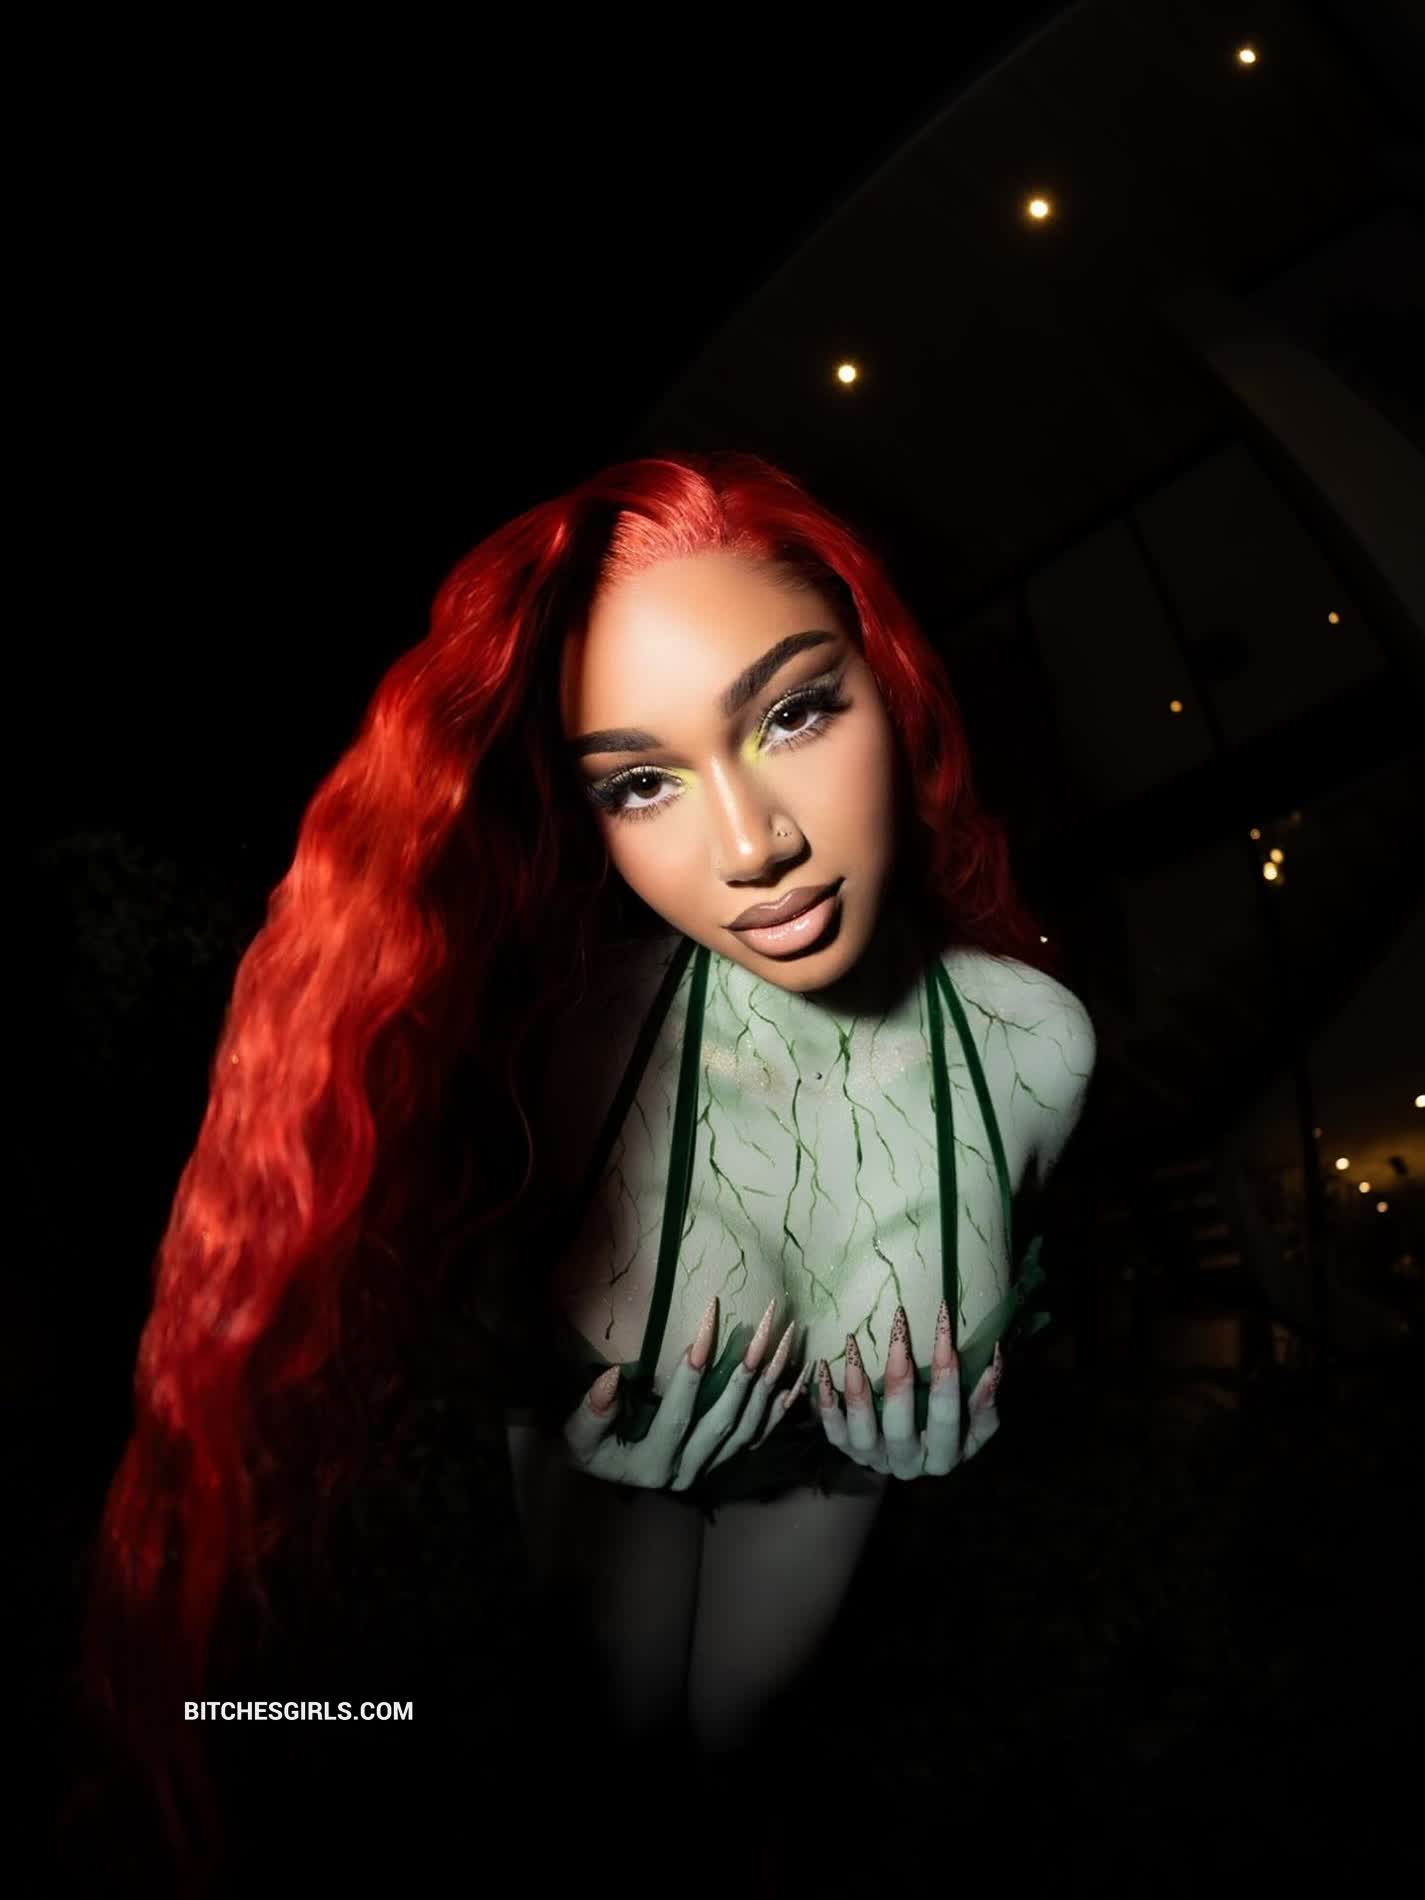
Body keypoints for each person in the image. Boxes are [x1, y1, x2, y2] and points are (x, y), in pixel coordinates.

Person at [79, 450, 1095, 1889]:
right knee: (599, 1784)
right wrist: (567, 1460)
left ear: (895, 687)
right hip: (551, 1577)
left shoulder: (1034, 1048)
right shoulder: (580, 1045)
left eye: (795, 712)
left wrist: (905, 1464)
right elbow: (472, 1325)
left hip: (822, 1574)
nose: (753, 846)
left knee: (737, 1775)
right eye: (640, 783)